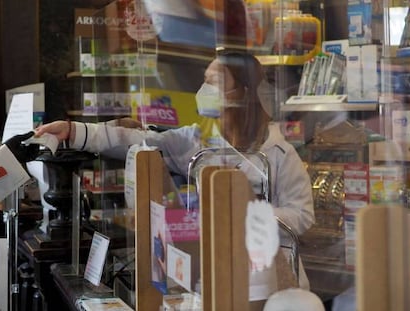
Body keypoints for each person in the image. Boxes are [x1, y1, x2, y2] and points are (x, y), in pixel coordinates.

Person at [34, 51, 315, 289]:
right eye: (204, 81)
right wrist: (73, 131)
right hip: (219, 273)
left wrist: (247, 216)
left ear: (241, 93)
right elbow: (130, 140)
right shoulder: (195, 141)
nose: (204, 90)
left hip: (273, 278)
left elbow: (302, 216)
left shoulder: (280, 153)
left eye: (213, 82)